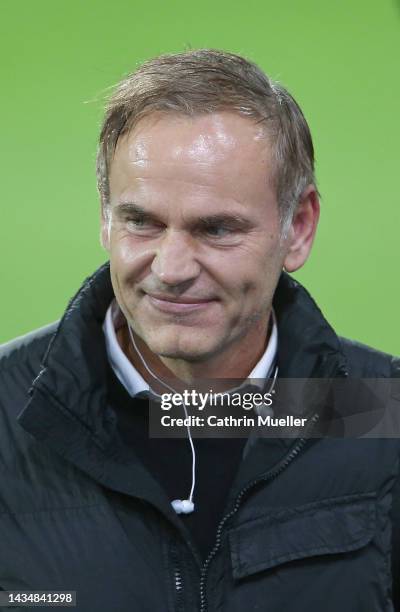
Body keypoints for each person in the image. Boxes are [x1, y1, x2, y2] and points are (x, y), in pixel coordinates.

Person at [0, 49, 399, 612]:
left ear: (299, 228)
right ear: (105, 217)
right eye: (141, 221)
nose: (171, 269)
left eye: (216, 229)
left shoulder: (382, 411)